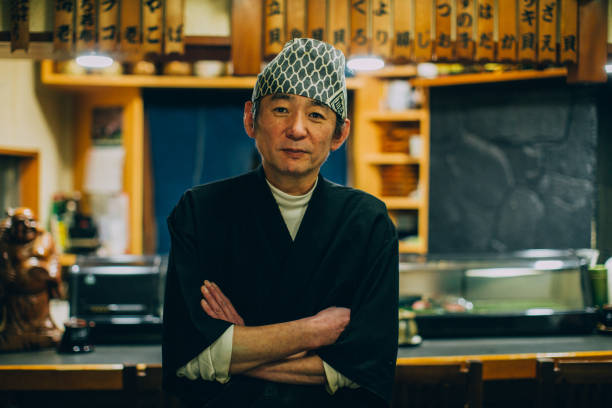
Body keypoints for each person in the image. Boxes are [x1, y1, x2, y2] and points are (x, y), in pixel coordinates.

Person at [162, 38, 399, 408]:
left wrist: (239, 349)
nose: (297, 129)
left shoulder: (368, 222)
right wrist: (314, 331)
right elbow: (188, 359)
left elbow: (367, 367)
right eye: (281, 109)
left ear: (340, 134)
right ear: (250, 119)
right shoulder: (201, 212)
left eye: (317, 115)